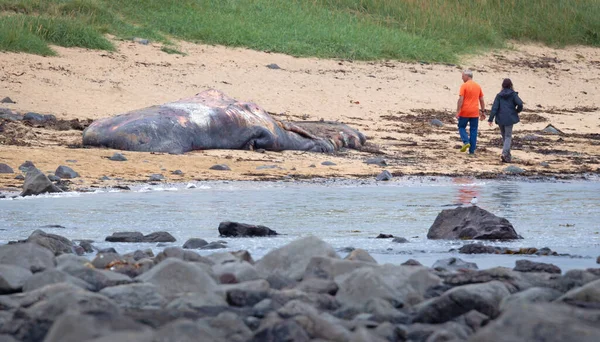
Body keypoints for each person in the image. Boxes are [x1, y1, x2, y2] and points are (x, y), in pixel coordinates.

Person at [487, 78, 523, 163]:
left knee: (505, 137)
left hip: (500, 118)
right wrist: (517, 111)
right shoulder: (513, 94)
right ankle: (505, 153)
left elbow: (494, 108)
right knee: (507, 137)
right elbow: (520, 103)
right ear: (511, 85)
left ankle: (507, 156)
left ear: (502, 85)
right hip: (509, 118)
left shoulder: (499, 95)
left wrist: (490, 119)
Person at [456, 69, 486, 155]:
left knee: (461, 127)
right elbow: (482, 100)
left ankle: (466, 142)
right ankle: (472, 151)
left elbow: (461, 99)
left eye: (463, 76)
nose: (462, 78)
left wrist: (458, 111)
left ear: (467, 76)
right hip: (474, 112)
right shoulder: (477, 86)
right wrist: (483, 111)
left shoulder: (464, 86)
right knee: (474, 130)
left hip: (465, 111)